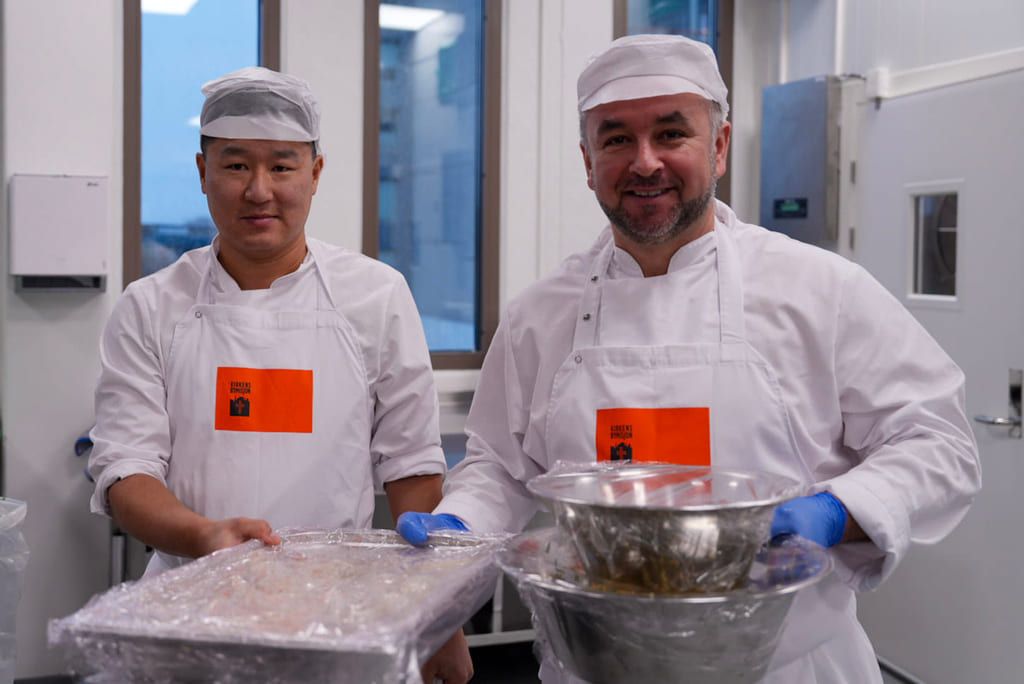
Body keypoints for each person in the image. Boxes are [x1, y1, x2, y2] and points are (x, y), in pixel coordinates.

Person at [398, 34, 982, 683]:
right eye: (616, 139)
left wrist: (839, 508)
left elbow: (938, 445)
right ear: (587, 161)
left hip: (786, 665)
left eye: (671, 134)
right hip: (594, 664)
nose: (645, 162)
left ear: (720, 146)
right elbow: (501, 471)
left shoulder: (822, 291)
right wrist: (459, 522)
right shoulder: (541, 315)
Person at [87, 67, 471, 684]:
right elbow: (125, 473)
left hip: (342, 613)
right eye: (236, 166)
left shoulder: (375, 295)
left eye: (283, 166)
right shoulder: (151, 305)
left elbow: (412, 470)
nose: (259, 190)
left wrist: (439, 614)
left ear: (315, 174)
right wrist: (206, 535)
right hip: (192, 605)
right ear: (202, 171)